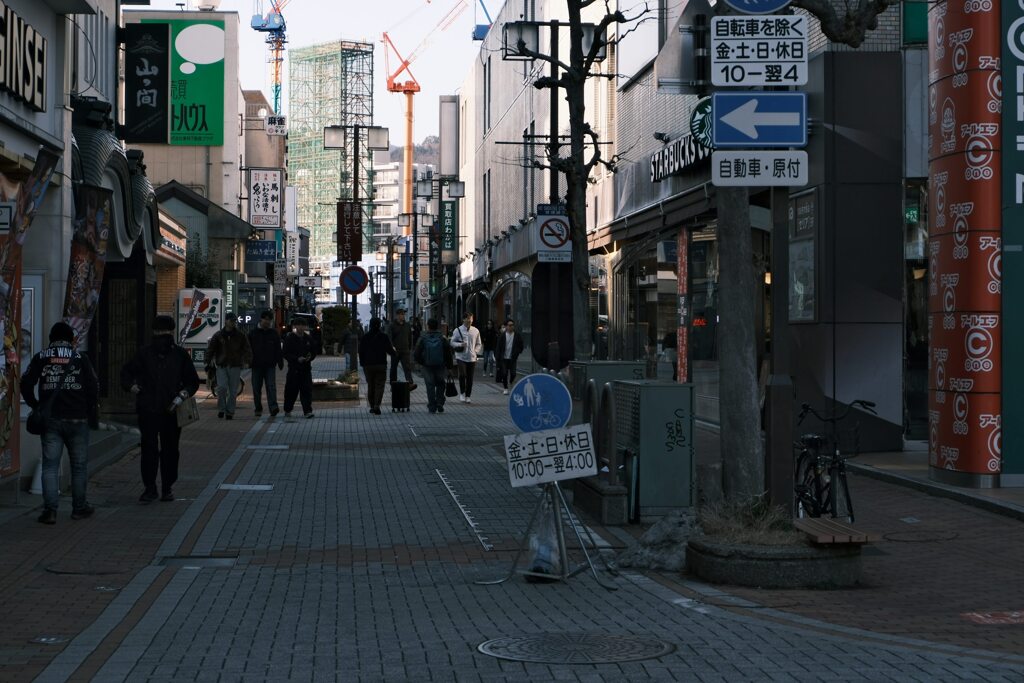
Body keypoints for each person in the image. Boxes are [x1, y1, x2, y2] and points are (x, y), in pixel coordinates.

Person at [21, 322, 99, 524]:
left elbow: (26, 383)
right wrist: (89, 409)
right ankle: (79, 508)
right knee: (79, 466)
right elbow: (93, 387)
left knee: (50, 466)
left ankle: (50, 511)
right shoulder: (81, 358)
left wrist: (36, 405)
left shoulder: (42, 356)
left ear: (51, 337)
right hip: (78, 419)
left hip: (51, 419)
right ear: (71, 338)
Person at [121, 315, 200, 503]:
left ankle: (156, 488)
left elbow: (192, 382)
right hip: (158, 407)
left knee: (157, 448)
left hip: (162, 408)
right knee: (166, 449)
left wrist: (182, 395)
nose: (163, 336)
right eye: (160, 332)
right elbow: (192, 381)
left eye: (164, 332)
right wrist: (183, 394)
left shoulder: (150, 353)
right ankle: (162, 488)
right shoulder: (175, 354)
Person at [205, 316, 251, 420]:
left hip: (235, 365)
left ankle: (230, 411)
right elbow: (211, 349)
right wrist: (207, 362)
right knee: (222, 388)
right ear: (226, 321)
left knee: (233, 390)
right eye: (231, 321)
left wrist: (247, 361)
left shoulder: (240, 335)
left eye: (234, 321)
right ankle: (222, 409)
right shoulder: (218, 335)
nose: (233, 323)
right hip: (222, 365)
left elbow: (247, 348)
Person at [413, 318, 454, 414]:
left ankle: (432, 406)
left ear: (428, 326)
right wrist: (449, 367)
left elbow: (416, 353)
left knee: (430, 385)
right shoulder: (442, 338)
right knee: (440, 383)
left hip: (427, 365)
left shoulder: (423, 338)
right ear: (437, 326)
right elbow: (448, 353)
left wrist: (422, 362)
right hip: (440, 365)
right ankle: (440, 402)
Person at [359, 317, 397, 415]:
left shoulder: (365, 337)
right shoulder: (383, 336)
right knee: (379, 385)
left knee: (370, 385)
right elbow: (389, 349)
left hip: (368, 365)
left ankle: (372, 406)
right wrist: (395, 354)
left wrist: (362, 363)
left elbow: (361, 351)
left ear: (370, 325)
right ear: (379, 325)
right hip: (381, 364)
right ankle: (377, 405)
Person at [249, 310, 284, 417]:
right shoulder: (253, 333)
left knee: (271, 386)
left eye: (270, 320)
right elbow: (248, 349)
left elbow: (278, 349)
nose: (268, 322)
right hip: (256, 365)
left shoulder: (274, 333)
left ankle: (273, 407)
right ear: (261, 319)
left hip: (270, 365)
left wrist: (280, 361)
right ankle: (258, 408)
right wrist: (248, 361)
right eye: (266, 320)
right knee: (256, 388)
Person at [283, 317, 318, 418]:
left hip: (306, 369)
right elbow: (285, 353)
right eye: (299, 325)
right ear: (295, 326)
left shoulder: (308, 338)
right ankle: (288, 409)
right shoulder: (290, 338)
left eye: (303, 325)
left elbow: (314, 352)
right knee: (291, 391)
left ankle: (307, 411)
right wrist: (296, 359)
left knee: (306, 391)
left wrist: (309, 358)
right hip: (294, 369)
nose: (301, 327)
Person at [450, 312, 483, 403]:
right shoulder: (457, 330)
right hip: (461, 356)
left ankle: (468, 396)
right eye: (467, 318)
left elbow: (479, 343)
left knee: (470, 377)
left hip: (472, 357)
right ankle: (462, 393)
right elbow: (452, 342)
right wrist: (460, 344)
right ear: (463, 319)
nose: (469, 320)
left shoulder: (475, 331)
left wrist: (475, 352)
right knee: (462, 374)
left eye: (471, 319)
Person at [387, 308, 417, 390]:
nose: (403, 316)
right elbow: (389, 337)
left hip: (405, 350)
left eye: (404, 314)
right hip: (395, 351)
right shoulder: (392, 325)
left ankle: (410, 383)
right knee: (393, 368)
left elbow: (410, 336)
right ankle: (393, 384)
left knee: (407, 367)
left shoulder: (407, 325)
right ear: (397, 315)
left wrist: (410, 347)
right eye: (401, 314)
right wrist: (392, 347)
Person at [495, 319, 525, 395]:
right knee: (504, 373)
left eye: (512, 325)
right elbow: (498, 347)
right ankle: (505, 388)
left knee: (513, 373)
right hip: (504, 358)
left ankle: (511, 383)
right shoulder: (502, 335)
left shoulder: (517, 335)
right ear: (506, 326)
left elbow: (521, 345)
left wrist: (517, 352)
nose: (511, 327)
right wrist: (497, 358)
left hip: (513, 358)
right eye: (509, 325)